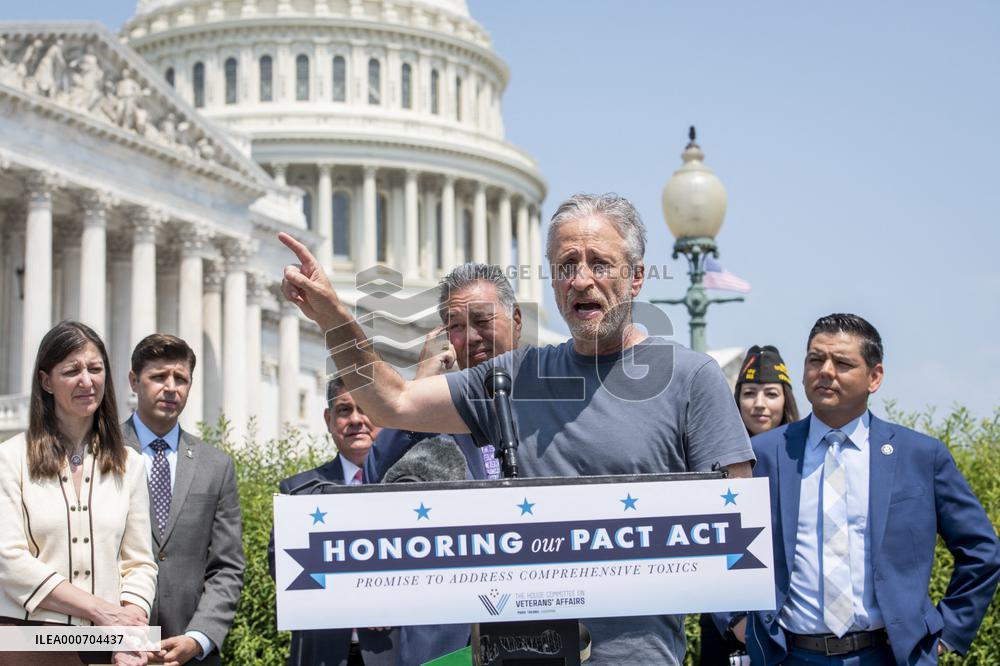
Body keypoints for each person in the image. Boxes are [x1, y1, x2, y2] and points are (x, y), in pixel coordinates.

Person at [278, 192, 755, 664]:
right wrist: (333, 317)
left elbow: (736, 535)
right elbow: (391, 401)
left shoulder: (692, 380)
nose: (582, 279)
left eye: (599, 263)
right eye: (566, 265)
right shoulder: (516, 377)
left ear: (636, 278)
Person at [738, 313, 1000, 664]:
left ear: (874, 377)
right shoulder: (764, 455)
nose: (825, 371)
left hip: (889, 656)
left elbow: (982, 551)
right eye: (815, 360)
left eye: (842, 363)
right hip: (790, 654)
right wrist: (737, 622)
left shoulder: (920, 456)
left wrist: (947, 632)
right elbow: (721, 547)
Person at [0, 321, 157, 666]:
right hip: (27, 645)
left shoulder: (129, 464)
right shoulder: (9, 458)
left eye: (95, 369)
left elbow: (139, 562)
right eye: (72, 370)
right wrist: (101, 612)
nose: (87, 381)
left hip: (110, 649)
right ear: (46, 381)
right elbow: (7, 559)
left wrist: (128, 633)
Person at [121, 334, 244, 666]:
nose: (171, 387)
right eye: (159, 377)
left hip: (191, 653)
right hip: (113, 648)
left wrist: (199, 637)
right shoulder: (100, 453)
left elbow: (227, 566)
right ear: (134, 381)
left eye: (181, 378)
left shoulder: (216, 466)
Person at [269, 377, 399, 666]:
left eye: (365, 409)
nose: (356, 419)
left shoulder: (414, 489)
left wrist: (391, 600)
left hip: (394, 652)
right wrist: (355, 602)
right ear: (329, 419)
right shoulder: (299, 491)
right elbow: (283, 566)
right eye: (344, 410)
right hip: (323, 654)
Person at [701, 345, 801, 664]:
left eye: (771, 393)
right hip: (730, 628)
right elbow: (703, 548)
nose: (759, 404)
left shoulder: (809, 462)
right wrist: (733, 620)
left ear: (786, 400)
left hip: (798, 624)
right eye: (749, 393)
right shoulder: (710, 461)